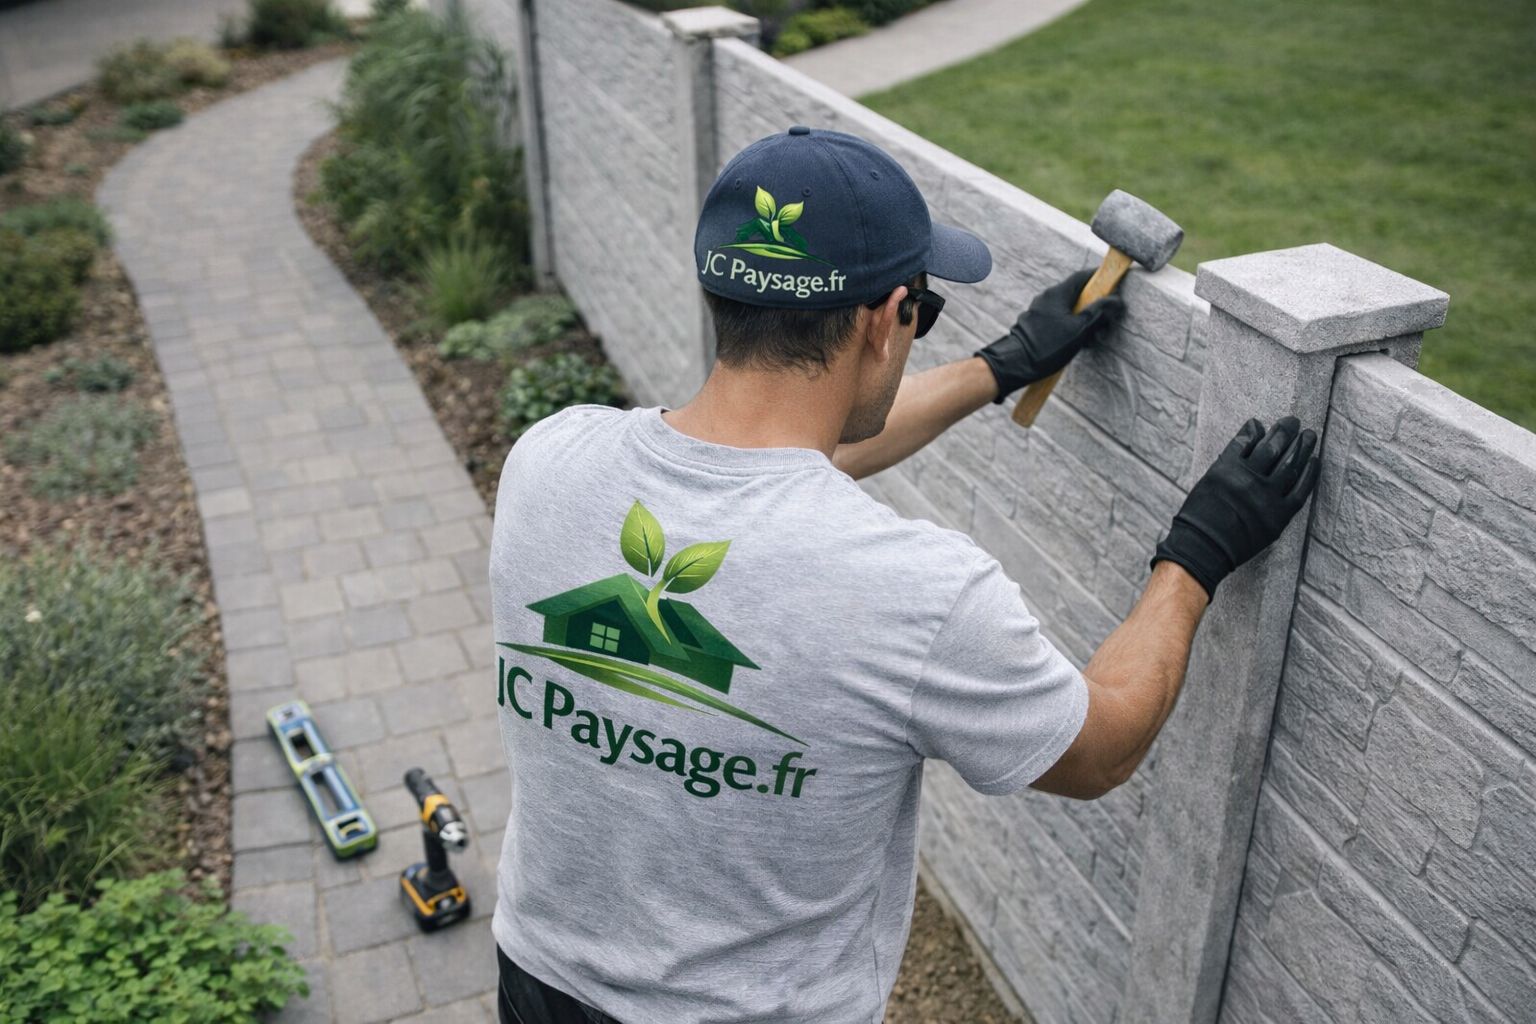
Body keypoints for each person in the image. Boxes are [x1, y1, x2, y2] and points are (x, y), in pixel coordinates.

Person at [487, 126, 1319, 1024]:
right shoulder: (917, 595)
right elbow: (1100, 748)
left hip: (538, 978)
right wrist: (1194, 556)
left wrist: (997, 366)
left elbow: (764, 478)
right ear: (887, 319)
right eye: (924, 310)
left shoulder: (550, 459)